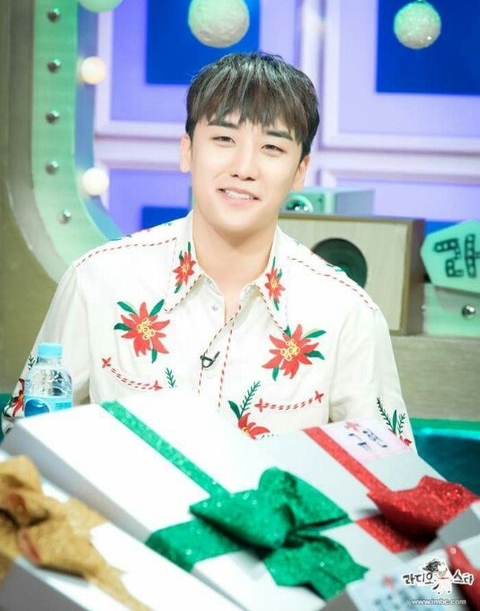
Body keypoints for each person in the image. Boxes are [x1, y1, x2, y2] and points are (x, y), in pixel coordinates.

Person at [2, 52, 414, 446]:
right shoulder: (98, 281)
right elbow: (23, 451)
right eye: (223, 138)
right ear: (187, 150)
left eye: (272, 148)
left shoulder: (346, 313)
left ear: (300, 171)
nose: (244, 168)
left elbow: (391, 478)